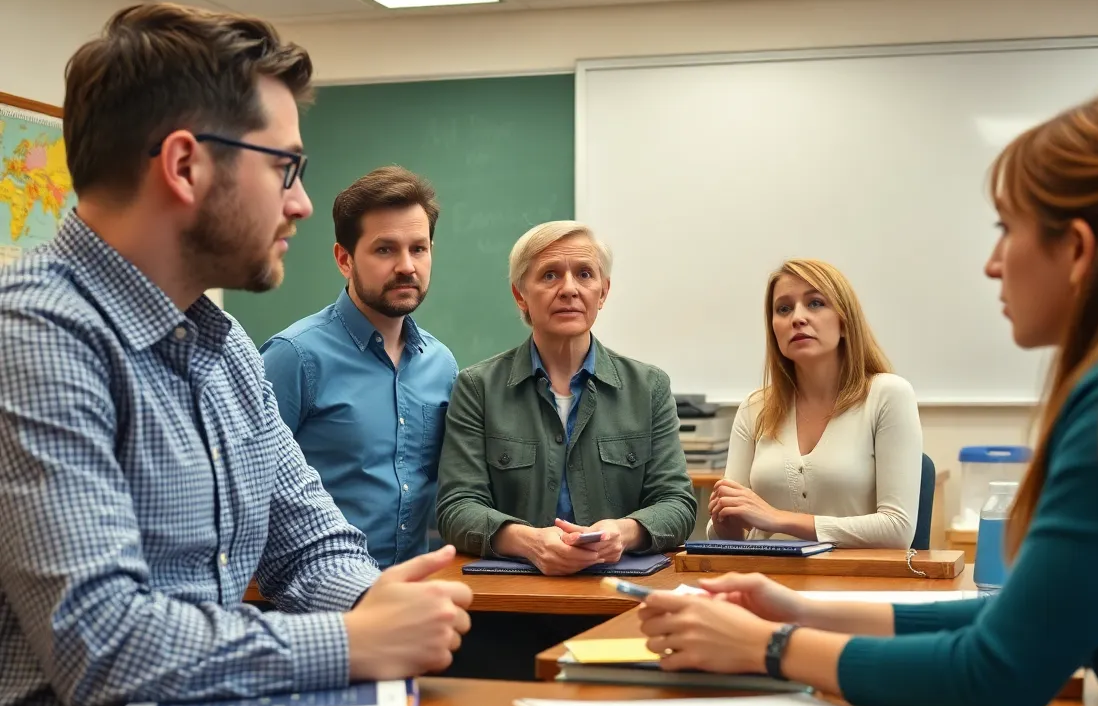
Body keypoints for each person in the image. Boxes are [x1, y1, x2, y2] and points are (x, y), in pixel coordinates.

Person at [638, 78, 1098, 706]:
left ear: (1077, 249)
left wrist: (769, 647)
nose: (992, 263)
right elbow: (1025, 616)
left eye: (1006, 229)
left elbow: (994, 680)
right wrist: (800, 608)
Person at [0, 4, 472, 706]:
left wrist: (378, 599)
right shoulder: (29, 336)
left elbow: (309, 545)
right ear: (185, 165)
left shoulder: (224, 351)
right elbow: (101, 640)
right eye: (284, 168)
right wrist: (353, 640)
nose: (302, 204)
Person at [437, 220, 696, 576]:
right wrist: (529, 542)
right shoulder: (477, 388)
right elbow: (456, 508)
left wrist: (622, 533)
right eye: (549, 275)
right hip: (510, 601)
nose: (569, 289)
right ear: (520, 295)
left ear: (602, 292)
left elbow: (677, 503)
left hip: (618, 597)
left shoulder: (648, 387)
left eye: (585, 274)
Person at [262, 167, 457, 567]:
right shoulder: (293, 357)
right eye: (385, 249)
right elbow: (246, 489)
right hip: (316, 601)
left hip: (413, 592)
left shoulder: (442, 365)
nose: (407, 266)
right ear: (344, 260)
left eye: (418, 248)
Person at [706, 259, 923, 548]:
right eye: (783, 308)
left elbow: (897, 530)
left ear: (845, 323)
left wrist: (778, 519)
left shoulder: (888, 395)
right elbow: (730, 537)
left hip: (853, 583)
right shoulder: (754, 407)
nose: (797, 318)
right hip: (764, 579)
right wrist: (725, 522)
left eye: (815, 303)